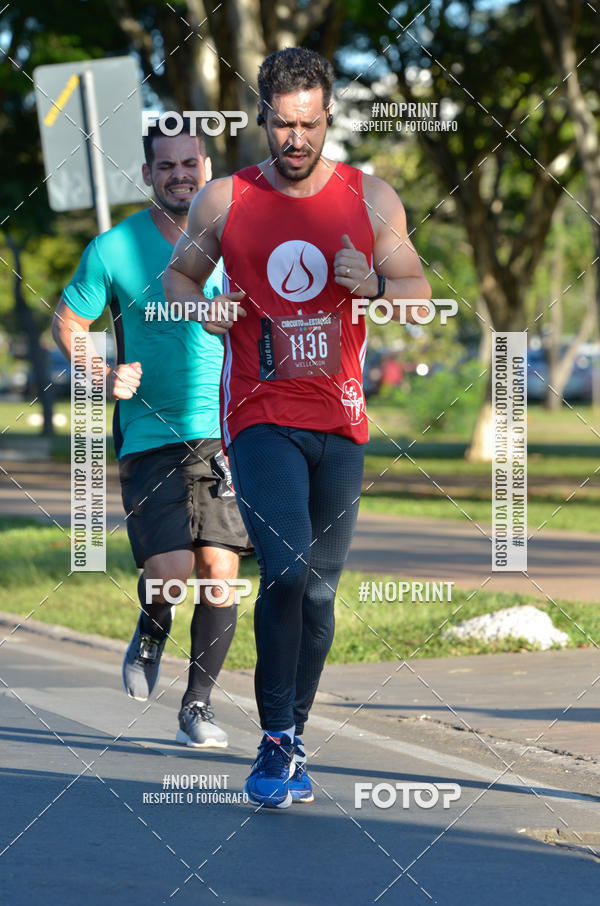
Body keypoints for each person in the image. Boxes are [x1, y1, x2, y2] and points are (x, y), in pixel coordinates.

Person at [162, 47, 431, 806]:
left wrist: (374, 283)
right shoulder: (223, 201)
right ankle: (274, 737)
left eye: (310, 124)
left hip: (341, 420)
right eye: (282, 124)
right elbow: (177, 280)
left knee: (318, 593)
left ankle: (293, 735)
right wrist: (202, 308)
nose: (296, 140)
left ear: (329, 118)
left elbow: (416, 292)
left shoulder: (371, 198)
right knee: (284, 569)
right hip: (258, 413)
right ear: (262, 120)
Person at [52, 119, 250, 749]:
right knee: (168, 573)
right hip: (147, 434)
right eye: (165, 166)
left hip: (224, 432)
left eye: (189, 163)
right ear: (148, 175)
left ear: (207, 166)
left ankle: (198, 705)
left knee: (219, 571)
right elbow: (69, 322)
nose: (179, 175)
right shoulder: (114, 248)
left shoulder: (238, 239)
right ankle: (149, 632)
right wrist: (100, 371)